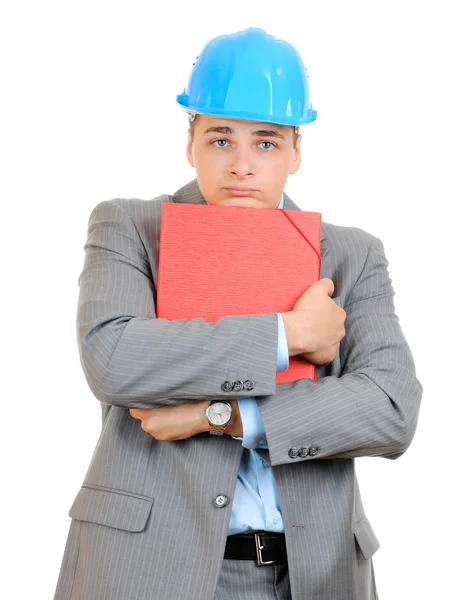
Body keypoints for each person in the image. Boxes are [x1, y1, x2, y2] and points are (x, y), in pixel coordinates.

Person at [53, 27, 422, 600]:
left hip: (313, 574)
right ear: (191, 143)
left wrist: (221, 414)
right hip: (147, 568)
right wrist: (288, 333)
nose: (242, 166)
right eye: (221, 139)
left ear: (297, 152)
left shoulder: (352, 255)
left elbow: (391, 408)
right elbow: (114, 359)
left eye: (267, 142)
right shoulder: (129, 227)